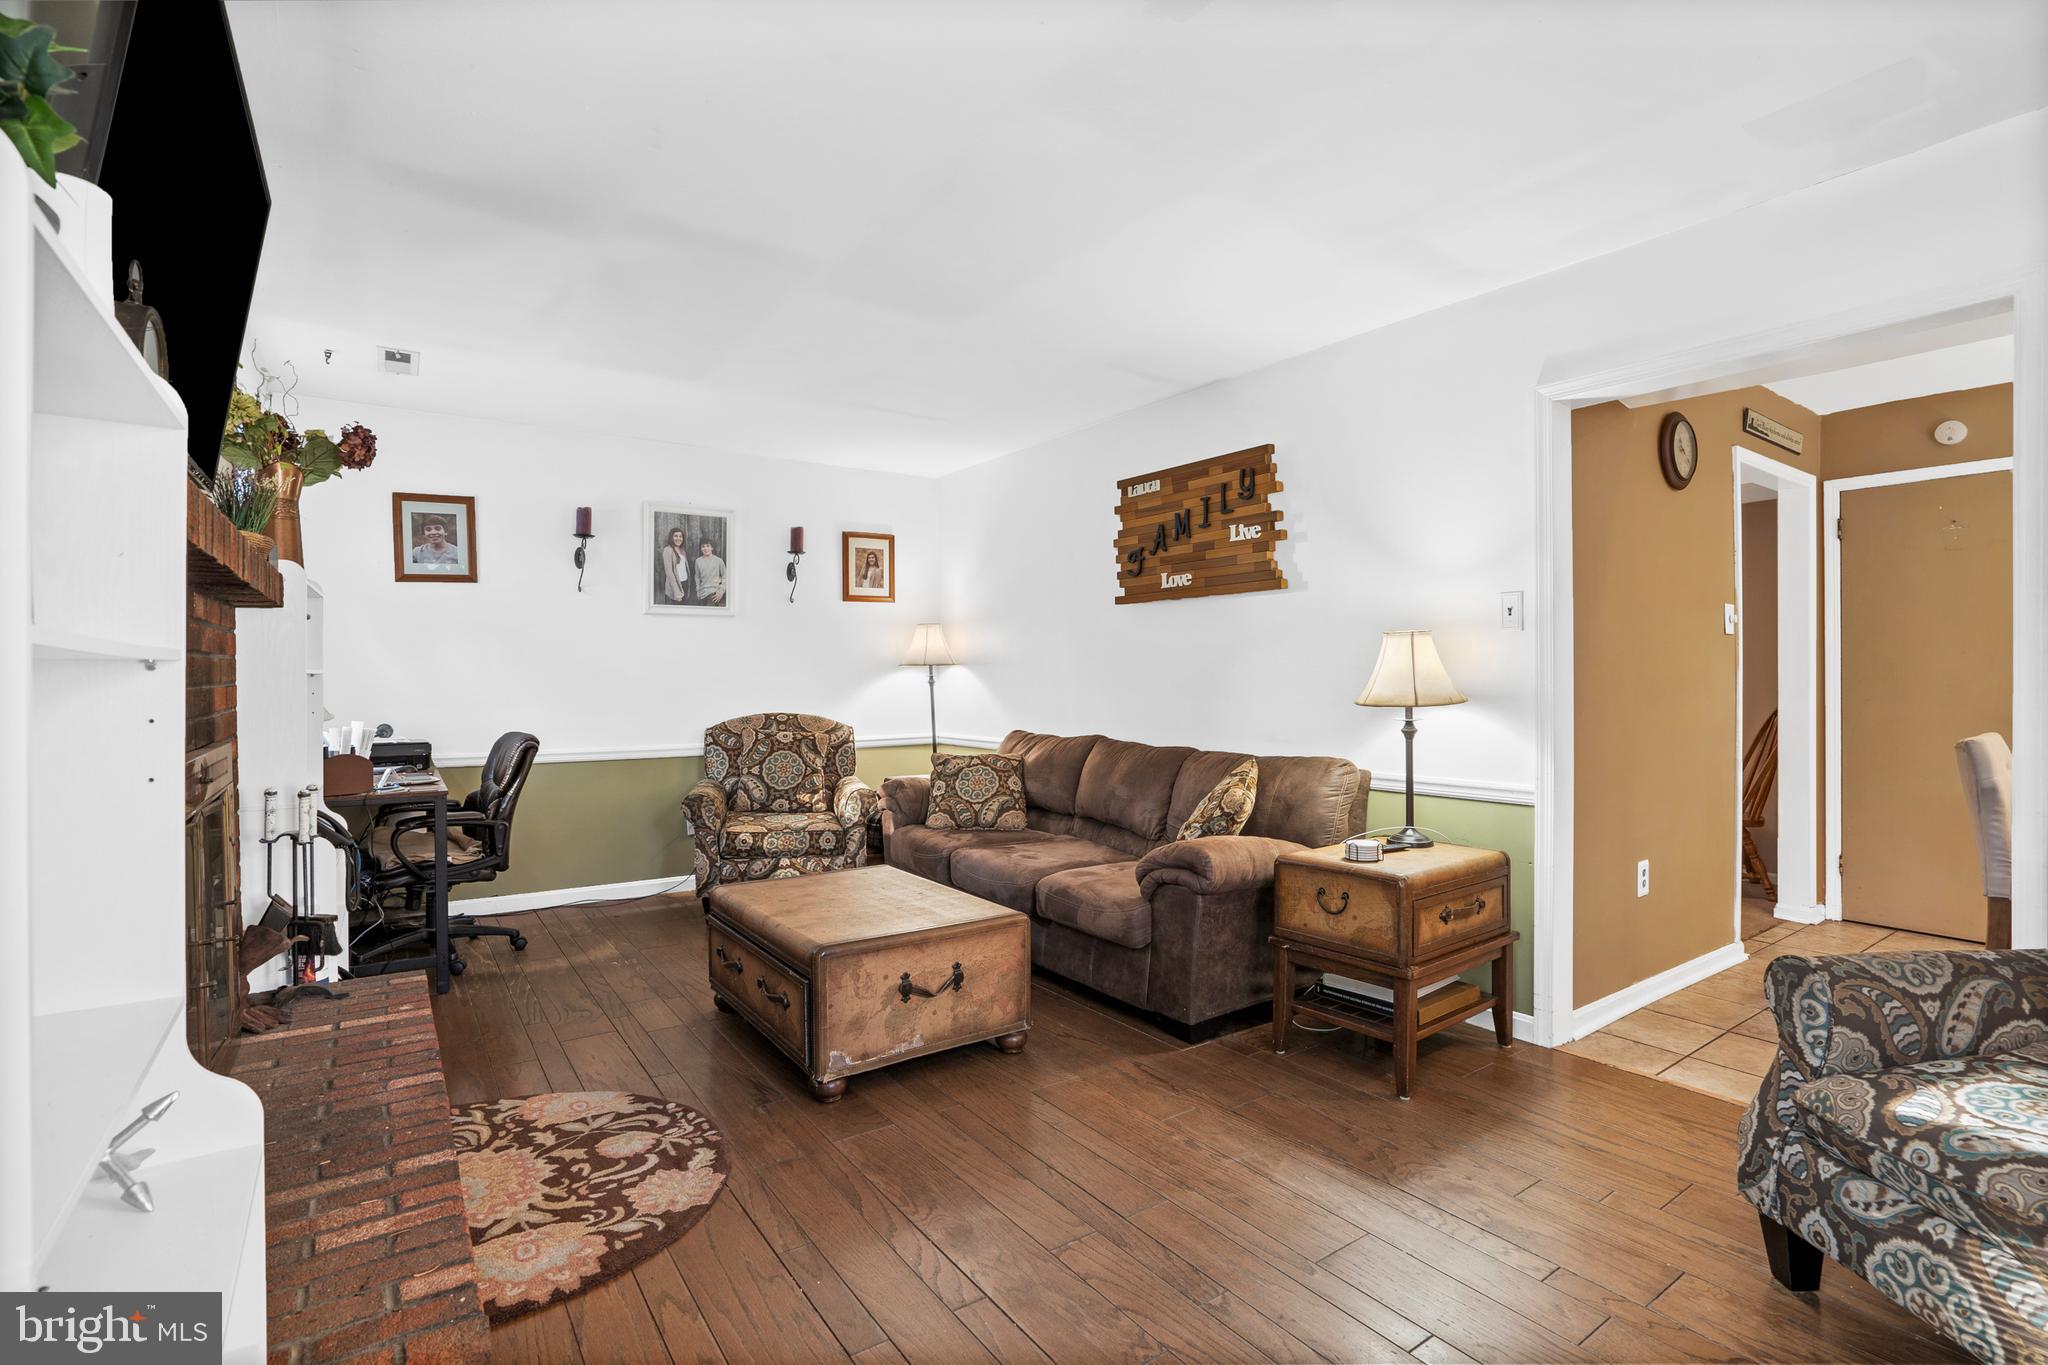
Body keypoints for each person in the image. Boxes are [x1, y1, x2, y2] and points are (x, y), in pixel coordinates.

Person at [693, 537, 726, 605]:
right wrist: (698, 591)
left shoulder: (719, 561)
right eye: (703, 546)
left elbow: (725, 577)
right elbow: (697, 577)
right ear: (700, 549)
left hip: (714, 593)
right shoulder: (698, 561)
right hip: (702, 593)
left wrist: (721, 591)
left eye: (708, 546)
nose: (705, 548)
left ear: (712, 548)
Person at [659, 526, 688, 603]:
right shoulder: (668, 550)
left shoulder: (682, 551)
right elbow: (669, 572)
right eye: (676, 536)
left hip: (684, 582)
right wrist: (676, 591)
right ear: (671, 537)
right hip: (676, 585)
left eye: (680, 536)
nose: (678, 538)